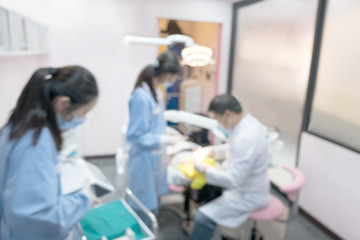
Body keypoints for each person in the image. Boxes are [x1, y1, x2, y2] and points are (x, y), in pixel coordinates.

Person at [0, 66, 99, 240]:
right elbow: (36, 213)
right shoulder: (36, 142)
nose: (82, 120)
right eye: (84, 112)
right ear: (63, 103)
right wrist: (83, 200)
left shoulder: (21, 124)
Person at [188, 94, 271, 240]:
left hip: (248, 195)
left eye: (218, 119)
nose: (219, 124)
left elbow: (233, 179)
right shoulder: (248, 123)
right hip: (250, 185)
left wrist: (203, 168)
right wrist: (212, 150)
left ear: (227, 114)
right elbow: (234, 148)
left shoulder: (246, 137)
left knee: (203, 217)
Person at [126, 50, 182, 223]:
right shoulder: (141, 97)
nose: (173, 81)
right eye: (174, 77)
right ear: (167, 74)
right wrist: (163, 139)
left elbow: (154, 124)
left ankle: (151, 229)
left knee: (153, 202)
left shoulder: (155, 93)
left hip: (155, 158)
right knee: (144, 207)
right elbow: (135, 135)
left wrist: (168, 133)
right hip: (143, 161)